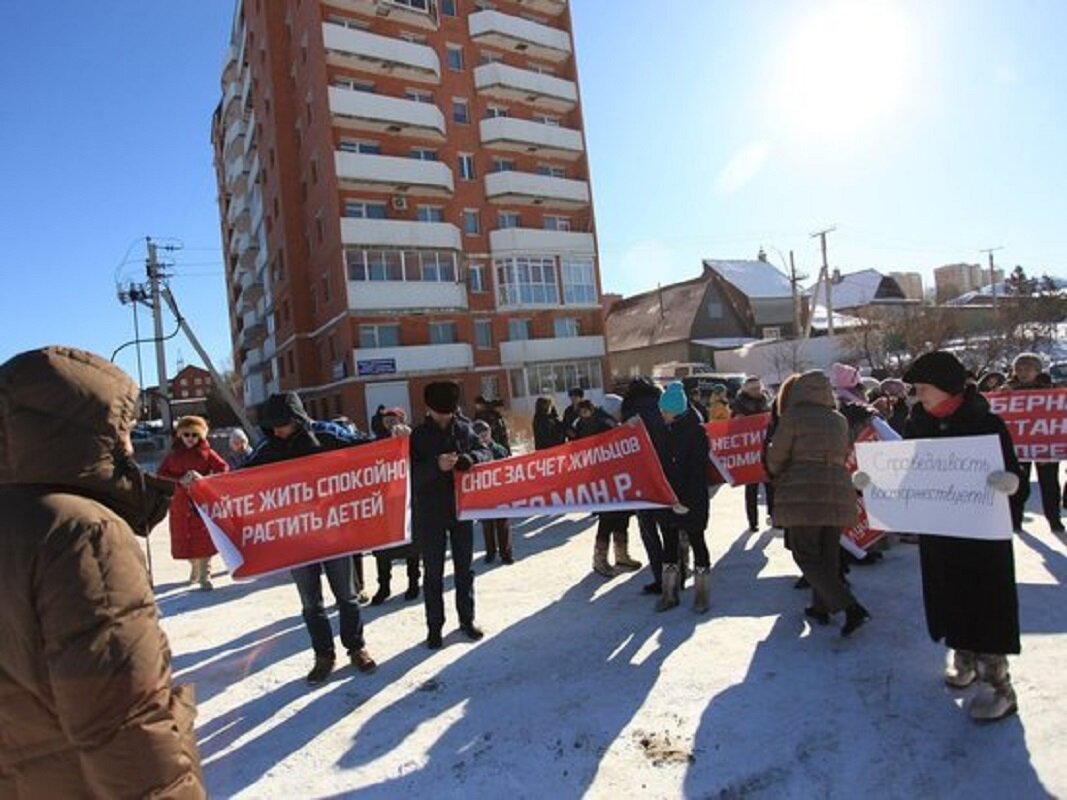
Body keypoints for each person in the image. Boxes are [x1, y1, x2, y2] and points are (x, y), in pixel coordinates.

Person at [0, 346, 204, 798]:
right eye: (123, 427)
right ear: (94, 432)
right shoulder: (81, 532)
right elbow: (123, 723)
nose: (130, 440)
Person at [897, 351, 1023, 721]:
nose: (919, 396)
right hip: (940, 533)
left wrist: (1010, 485)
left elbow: (1012, 471)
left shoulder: (986, 423)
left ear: (947, 388)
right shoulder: (916, 423)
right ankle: (964, 657)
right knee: (948, 596)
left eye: (924, 388)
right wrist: (875, 487)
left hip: (982, 537)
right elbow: (906, 475)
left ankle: (998, 685)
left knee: (985, 603)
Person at [245, 391, 378, 684]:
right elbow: (235, 481)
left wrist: (394, 437)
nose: (278, 430)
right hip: (296, 539)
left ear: (298, 418)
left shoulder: (327, 434)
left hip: (335, 532)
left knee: (347, 596)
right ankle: (323, 656)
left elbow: (367, 449)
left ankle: (357, 649)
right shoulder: (267, 447)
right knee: (311, 604)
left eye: (284, 423)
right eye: (273, 425)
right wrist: (202, 484)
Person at [765, 370, 870, 637]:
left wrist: (775, 467)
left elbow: (777, 457)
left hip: (804, 491)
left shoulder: (792, 417)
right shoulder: (837, 419)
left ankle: (850, 606)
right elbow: (845, 451)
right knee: (828, 555)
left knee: (806, 555)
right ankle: (820, 606)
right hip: (837, 488)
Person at [410, 381, 493, 649]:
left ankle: (466, 620)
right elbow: (409, 474)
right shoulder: (418, 436)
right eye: (440, 412)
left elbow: (485, 451)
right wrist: (436, 466)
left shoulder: (464, 428)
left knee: (464, 570)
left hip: (461, 510)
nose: (445, 417)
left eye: (449, 411)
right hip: (430, 513)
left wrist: (470, 459)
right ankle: (434, 627)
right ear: (429, 409)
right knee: (433, 573)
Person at [655, 383, 713, 613]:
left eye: (665, 412)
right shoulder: (662, 431)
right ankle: (669, 593)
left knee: (697, 541)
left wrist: (684, 501)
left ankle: (702, 594)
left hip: (691, 500)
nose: (662, 415)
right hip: (668, 499)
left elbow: (697, 472)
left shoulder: (697, 433)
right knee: (668, 545)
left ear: (676, 411)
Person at [157, 415, 229, 591]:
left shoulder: (207, 453)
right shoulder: (173, 456)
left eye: (194, 435)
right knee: (185, 537)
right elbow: (161, 473)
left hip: (200, 501)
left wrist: (204, 479)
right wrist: (178, 479)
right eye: (186, 434)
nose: (190, 438)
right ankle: (195, 566)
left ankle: (205, 573)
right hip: (180, 503)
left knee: (204, 537)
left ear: (201, 436)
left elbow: (223, 468)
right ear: (180, 436)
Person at [574, 395, 642, 577]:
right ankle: (600, 559)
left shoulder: (601, 421)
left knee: (620, 514)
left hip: (613, 477)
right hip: (606, 479)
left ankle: (621, 555)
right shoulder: (605, 424)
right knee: (608, 517)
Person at [622, 377, 671, 594]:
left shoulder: (629, 412)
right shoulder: (663, 408)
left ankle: (660, 578)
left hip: (641, 480)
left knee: (649, 530)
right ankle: (676, 573)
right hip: (666, 475)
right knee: (670, 527)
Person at [1005, 353, 1064, 533]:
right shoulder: (1007, 390)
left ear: (1037, 371)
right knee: (1016, 484)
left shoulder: (1052, 390)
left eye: (1027, 369)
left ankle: (1054, 519)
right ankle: (1015, 519)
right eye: (1019, 369)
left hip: (1045, 446)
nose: (1022, 373)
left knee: (1050, 485)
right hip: (1018, 447)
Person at [370, 408, 421, 606]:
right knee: (383, 548)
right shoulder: (375, 443)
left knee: (412, 546)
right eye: (387, 420)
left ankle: (413, 583)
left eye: (395, 419)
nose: (391, 423)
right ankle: (384, 586)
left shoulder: (413, 440)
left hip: (408, 500)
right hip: (384, 504)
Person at [732, 376, 775, 531]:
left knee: (770, 485)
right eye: (753, 389)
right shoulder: (739, 404)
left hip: (766, 449)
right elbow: (732, 429)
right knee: (752, 488)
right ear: (746, 390)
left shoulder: (766, 401)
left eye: (758, 388)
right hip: (748, 452)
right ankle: (753, 521)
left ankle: (773, 515)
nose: (756, 391)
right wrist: (737, 420)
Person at [472, 419, 515, 565]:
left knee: (503, 524)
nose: (484, 436)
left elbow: (507, 465)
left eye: (486, 433)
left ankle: (506, 553)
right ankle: (490, 552)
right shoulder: (474, 451)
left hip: (500, 491)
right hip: (484, 493)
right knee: (487, 525)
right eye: (480, 434)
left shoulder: (498, 449)